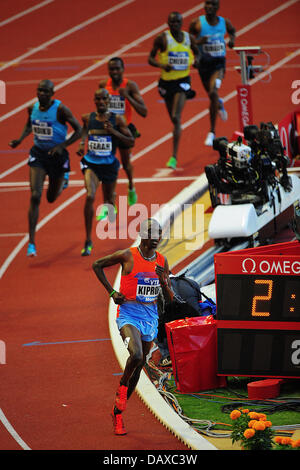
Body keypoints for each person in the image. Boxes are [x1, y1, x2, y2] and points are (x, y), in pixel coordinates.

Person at [92, 218, 173, 435]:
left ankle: (117, 414)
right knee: (136, 355)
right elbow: (96, 265)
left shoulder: (162, 261)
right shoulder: (128, 255)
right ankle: (122, 387)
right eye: (151, 233)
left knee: (139, 364)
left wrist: (164, 283)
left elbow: (169, 296)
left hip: (150, 318)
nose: (155, 238)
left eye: (158, 233)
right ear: (142, 234)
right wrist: (112, 292)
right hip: (128, 314)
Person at [9, 79, 82, 257]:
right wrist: (20, 139)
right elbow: (29, 124)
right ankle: (32, 243)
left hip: (57, 157)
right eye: (39, 90)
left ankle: (63, 180)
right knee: (35, 195)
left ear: (52, 94)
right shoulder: (31, 108)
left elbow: (79, 130)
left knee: (50, 198)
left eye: (45, 91)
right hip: (39, 155)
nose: (41, 94)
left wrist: (62, 146)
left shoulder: (60, 110)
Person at [77, 88, 134, 256]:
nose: (101, 102)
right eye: (98, 99)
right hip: (91, 164)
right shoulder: (88, 118)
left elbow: (130, 140)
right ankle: (88, 240)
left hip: (109, 165)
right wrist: (82, 143)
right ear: (94, 100)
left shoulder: (117, 119)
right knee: (90, 195)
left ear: (109, 101)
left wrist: (114, 132)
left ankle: (111, 202)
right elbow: (84, 130)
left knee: (108, 201)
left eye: (104, 99)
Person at [148, 11, 200, 170]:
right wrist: (162, 65)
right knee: (173, 118)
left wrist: (196, 61)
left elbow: (197, 53)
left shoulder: (188, 38)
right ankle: (176, 136)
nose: (175, 25)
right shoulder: (162, 39)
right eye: (172, 22)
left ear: (181, 22)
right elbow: (150, 58)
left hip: (183, 81)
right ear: (168, 24)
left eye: (177, 22)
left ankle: (174, 157)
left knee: (177, 117)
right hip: (166, 83)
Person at [98, 57, 147, 206]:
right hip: (108, 130)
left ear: (123, 69)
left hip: (125, 129)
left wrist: (127, 96)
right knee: (108, 165)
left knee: (125, 164)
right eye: (111, 69)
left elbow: (144, 112)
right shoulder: (103, 85)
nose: (114, 72)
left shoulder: (130, 86)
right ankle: (109, 200)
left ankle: (131, 186)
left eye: (117, 69)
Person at [189, 0, 236, 146]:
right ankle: (219, 103)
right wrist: (197, 46)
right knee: (212, 94)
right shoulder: (197, 23)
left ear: (217, 7)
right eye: (207, 4)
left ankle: (212, 131)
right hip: (204, 65)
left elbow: (232, 31)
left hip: (219, 65)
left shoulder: (224, 22)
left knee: (213, 91)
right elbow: (189, 41)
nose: (209, 7)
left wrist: (232, 40)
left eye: (212, 4)